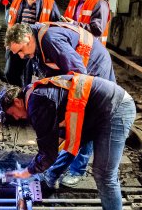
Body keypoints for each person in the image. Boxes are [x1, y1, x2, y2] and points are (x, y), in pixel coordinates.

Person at [0, 74, 135, 210]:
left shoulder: (36, 102)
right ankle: (50, 178)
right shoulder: (35, 91)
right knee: (72, 146)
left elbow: (49, 152)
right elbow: (59, 138)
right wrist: (41, 165)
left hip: (114, 110)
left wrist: (27, 171)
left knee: (104, 176)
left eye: (13, 113)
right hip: (100, 110)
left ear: (17, 102)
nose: (17, 118)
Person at [6, 22, 116, 188]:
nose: (21, 56)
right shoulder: (37, 46)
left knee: (82, 124)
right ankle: (54, 170)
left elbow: (79, 73)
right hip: (85, 71)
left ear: (28, 38)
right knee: (70, 126)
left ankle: (76, 170)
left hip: (94, 69)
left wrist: (67, 112)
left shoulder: (50, 40)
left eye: (20, 50)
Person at [5, 0, 61, 87]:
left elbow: (57, 26)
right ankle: (18, 93)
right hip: (17, 43)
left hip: (34, 47)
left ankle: (26, 97)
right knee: (10, 73)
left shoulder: (49, 3)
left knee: (29, 77)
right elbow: (11, 21)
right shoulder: (18, 0)